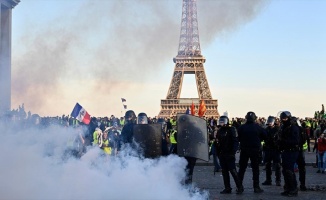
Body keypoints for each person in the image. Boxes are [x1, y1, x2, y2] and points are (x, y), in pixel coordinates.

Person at [237, 111, 267, 193]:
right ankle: (256, 187)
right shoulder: (258, 127)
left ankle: (239, 187)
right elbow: (265, 136)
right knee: (255, 169)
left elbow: (238, 138)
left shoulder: (241, 127)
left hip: (244, 150)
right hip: (255, 150)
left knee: (242, 169)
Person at [216, 116, 243, 194]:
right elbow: (218, 142)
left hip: (229, 153)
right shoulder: (220, 130)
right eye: (220, 121)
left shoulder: (232, 129)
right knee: (224, 172)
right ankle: (227, 188)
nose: (221, 123)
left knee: (233, 171)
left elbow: (235, 141)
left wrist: (233, 151)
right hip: (222, 153)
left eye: (223, 121)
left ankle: (239, 187)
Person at [278, 111, 300, 197]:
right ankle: (287, 188)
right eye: (282, 118)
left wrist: (283, 142)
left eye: (285, 118)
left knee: (289, 170)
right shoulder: (283, 127)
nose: (283, 120)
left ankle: (293, 189)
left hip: (292, 151)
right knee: (285, 170)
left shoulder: (293, 128)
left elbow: (295, 141)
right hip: (285, 150)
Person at [262, 116, 281, 186]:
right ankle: (268, 180)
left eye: (271, 121)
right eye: (269, 121)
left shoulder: (277, 129)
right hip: (268, 149)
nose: (269, 123)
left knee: (277, 165)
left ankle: (278, 180)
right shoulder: (266, 129)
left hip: (276, 149)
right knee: (267, 165)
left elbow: (279, 139)